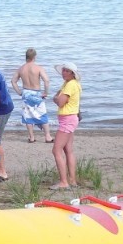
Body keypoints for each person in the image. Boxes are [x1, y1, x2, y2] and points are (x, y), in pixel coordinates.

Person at [50, 62, 82, 190]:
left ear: (72, 73)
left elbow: (60, 102)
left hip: (67, 119)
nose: (63, 72)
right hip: (71, 118)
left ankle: (64, 182)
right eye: (63, 70)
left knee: (56, 150)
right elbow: (58, 98)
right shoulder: (71, 84)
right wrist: (57, 97)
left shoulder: (70, 85)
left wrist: (57, 98)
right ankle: (72, 180)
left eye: (66, 71)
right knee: (68, 150)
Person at [11, 48, 53, 143]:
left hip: (26, 93)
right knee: (42, 114)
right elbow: (46, 80)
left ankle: (31, 137)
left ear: (26, 57)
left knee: (28, 115)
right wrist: (46, 92)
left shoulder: (21, 68)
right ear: (34, 57)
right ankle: (47, 136)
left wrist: (19, 92)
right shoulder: (38, 68)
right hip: (36, 93)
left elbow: (13, 81)